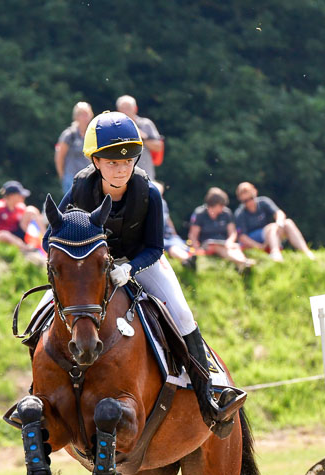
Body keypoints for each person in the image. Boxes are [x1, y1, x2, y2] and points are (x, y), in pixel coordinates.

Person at [34, 111, 244, 438]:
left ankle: (210, 394)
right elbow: (51, 236)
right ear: (95, 161)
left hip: (141, 261)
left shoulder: (149, 193)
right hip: (90, 270)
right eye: (112, 162)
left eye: (128, 161)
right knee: (40, 313)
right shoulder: (80, 188)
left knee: (182, 313)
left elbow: (155, 247)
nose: (122, 168)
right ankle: (37, 388)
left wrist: (129, 268)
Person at [234, 182, 314, 261]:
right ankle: (275, 253)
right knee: (272, 227)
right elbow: (242, 237)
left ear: (255, 193)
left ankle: (306, 251)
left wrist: (279, 223)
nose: (249, 202)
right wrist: (259, 247)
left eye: (251, 198)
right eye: (245, 201)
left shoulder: (263, 202)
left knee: (288, 223)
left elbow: (279, 213)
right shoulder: (240, 213)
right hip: (255, 239)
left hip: (271, 233)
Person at [0, 180, 46, 264]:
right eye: (20, 194)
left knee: (31, 210)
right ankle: (25, 248)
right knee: (3, 234)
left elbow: (28, 221)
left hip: (18, 233)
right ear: (12, 195)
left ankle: (46, 240)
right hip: (3, 236)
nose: (23, 197)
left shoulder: (20, 207)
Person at [188, 187, 255, 271]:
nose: (223, 207)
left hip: (224, 242)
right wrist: (196, 248)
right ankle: (242, 262)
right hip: (207, 244)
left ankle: (242, 264)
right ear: (214, 204)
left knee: (234, 246)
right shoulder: (200, 214)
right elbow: (193, 235)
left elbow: (233, 232)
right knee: (216, 246)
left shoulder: (226, 213)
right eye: (221, 205)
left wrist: (230, 241)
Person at [116, 95, 163, 180]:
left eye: (128, 108)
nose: (125, 112)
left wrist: (142, 137)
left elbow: (158, 147)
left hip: (145, 173)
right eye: (122, 109)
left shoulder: (145, 124)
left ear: (135, 109)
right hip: (121, 174)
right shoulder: (114, 127)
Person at [154, 181, 196, 269]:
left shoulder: (163, 203)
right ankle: (186, 259)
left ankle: (187, 260)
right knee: (172, 247)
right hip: (157, 237)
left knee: (178, 243)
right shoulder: (147, 204)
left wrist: (174, 233)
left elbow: (167, 219)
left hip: (168, 235)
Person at [54, 102, 94, 194]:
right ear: (76, 117)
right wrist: (62, 176)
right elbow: (59, 157)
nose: (85, 117)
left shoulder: (92, 134)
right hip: (71, 177)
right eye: (82, 114)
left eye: (87, 114)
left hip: (89, 177)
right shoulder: (69, 135)